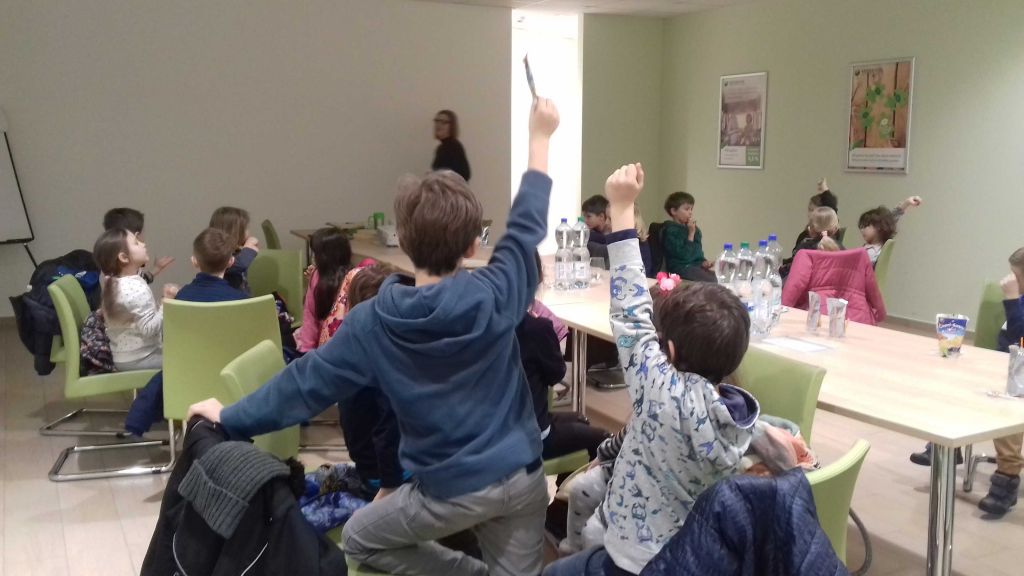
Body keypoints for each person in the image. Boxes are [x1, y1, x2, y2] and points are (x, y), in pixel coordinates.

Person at [187, 97, 561, 576]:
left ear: (403, 242)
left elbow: (304, 385)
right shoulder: (498, 290)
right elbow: (527, 224)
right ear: (473, 245)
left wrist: (231, 416)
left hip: (445, 493)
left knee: (360, 538)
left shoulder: (373, 322)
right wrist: (539, 137)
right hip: (522, 479)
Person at [544, 163, 758, 575]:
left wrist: (622, 207)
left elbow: (630, 311)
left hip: (634, 561)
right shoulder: (742, 416)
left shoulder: (660, 390)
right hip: (695, 559)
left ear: (669, 349)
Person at [912, 248, 1024, 517]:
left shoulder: (1016, 299)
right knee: (957, 383)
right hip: (1005, 365)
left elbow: (1020, 333)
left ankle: (1007, 479)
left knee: (1006, 408)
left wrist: (1012, 299)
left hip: (1018, 376)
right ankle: (947, 448)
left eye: (1017, 276)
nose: (1011, 280)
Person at [124, 228, 248, 436]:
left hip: (189, 374)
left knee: (162, 377)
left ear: (194, 261)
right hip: (233, 375)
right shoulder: (242, 301)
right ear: (231, 262)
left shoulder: (183, 297)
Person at [521, 252, 610, 462]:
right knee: (603, 438)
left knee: (579, 419)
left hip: (497, 427)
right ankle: (574, 482)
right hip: (531, 433)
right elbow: (556, 374)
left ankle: (568, 480)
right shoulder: (537, 327)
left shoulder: (487, 320)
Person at [93, 228, 174, 372]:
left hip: (124, 356)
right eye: (136, 243)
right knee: (186, 362)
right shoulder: (135, 289)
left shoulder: (115, 282)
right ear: (124, 258)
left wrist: (156, 269)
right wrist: (166, 302)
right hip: (140, 358)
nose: (143, 244)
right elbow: (149, 329)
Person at [294, 226, 354, 353]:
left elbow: (310, 317)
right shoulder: (354, 277)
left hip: (325, 349)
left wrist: (306, 350)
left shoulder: (317, 277)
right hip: (347, 348)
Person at [103, 208, 174, 283]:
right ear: (135, 236)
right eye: (142, 232)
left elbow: (140, 280)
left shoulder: (123, 265)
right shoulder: (124, 272)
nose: (144, 244)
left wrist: (157, 268)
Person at [661, 191, 715, 282]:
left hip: (694, 267)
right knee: (711, 281)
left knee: (720, 278)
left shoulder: (693, 229)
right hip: (680, 268)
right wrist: (691, 234)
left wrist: (703, 262)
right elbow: (683, 256)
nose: (690, 213)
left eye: (691, 209)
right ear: (674, 211)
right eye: (686, 209)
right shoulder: (670, 230)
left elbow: (697, 252)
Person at [858, 195, 923, 265]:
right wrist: (906, 203)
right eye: (862, 227)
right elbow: (891, 218)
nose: (862, 230)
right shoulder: (873, 247)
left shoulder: (874, 250)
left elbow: (890, 219)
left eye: (866, 226)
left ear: (879, 227)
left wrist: (906, 203)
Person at [209, 206, 260, 293]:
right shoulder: (217, 254)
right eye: (246, 228)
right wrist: (248, 249)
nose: (249, 232)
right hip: (227, 297)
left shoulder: (235, 250)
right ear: (235, 232)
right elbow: (240, 264)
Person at [432, 109, 471, 181]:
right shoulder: (442, 147)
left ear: (452, 126)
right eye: (437, 121)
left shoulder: (454, 147)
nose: (438, 125)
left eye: (444, 122)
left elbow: (465, 175)